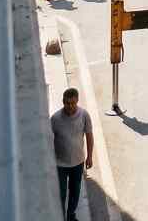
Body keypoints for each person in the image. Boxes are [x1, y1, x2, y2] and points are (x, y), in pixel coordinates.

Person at [51, 86, 93, 221]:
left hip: (78, 162)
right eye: (67, 103)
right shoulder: (55, 119)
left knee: (75, 191)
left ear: (77, 101)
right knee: (61, 194)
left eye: (73, 103)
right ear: (63, 102)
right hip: (60, 164)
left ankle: (71, 215)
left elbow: (89, 136)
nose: (70, 106)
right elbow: (48, 140)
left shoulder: (84, 115)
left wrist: (89, 156)